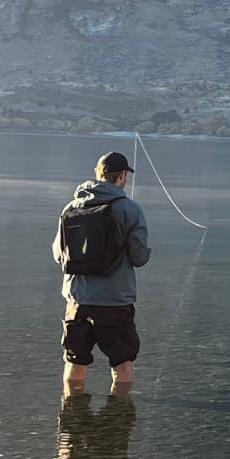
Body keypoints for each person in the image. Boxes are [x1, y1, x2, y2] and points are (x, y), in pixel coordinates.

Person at [52, 151, 150, 393]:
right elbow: (138, 258)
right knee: (122, 365)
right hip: (115, 302)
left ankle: (72, 420)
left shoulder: (70, 207)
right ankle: (117, 422)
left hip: (77, 300)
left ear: (98, 174)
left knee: (75, 362)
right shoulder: (130, 209)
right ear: (122, 176)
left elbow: (58, 254)